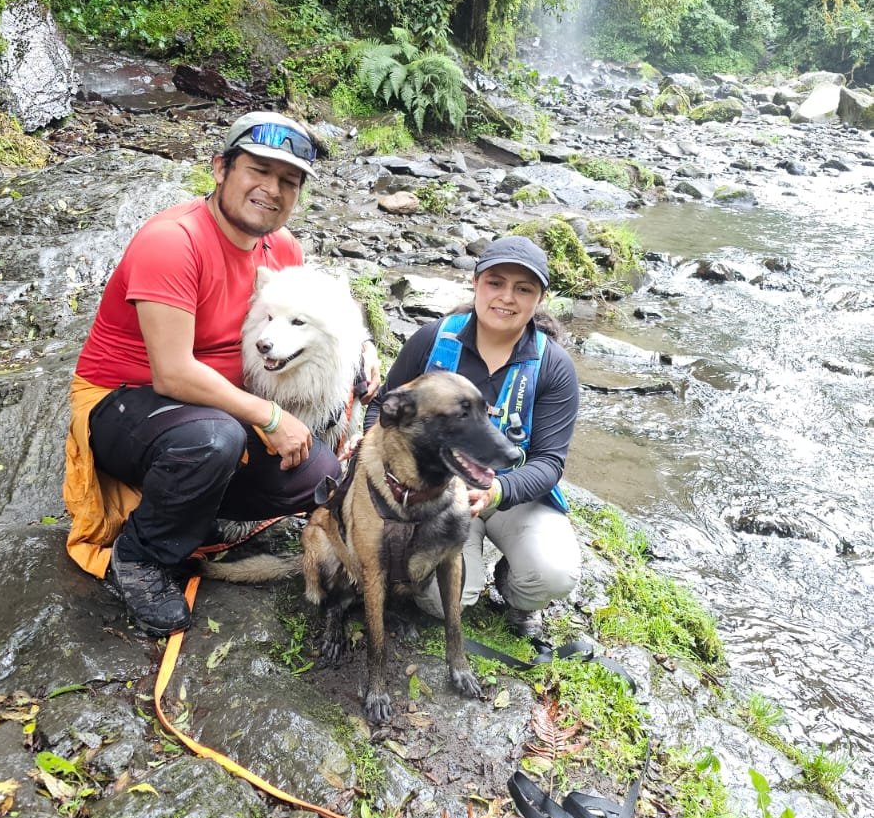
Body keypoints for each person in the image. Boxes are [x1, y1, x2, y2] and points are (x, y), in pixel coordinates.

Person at [63, 110, 379, 637]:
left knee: (319, 474)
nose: (272, 189)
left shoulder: (282, 248)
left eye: (288, 180)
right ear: (219, 169)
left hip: (211, 408)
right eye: (258, 170)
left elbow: (321, 317)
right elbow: (173, 374)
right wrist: (271, 416)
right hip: (121, 402)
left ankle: (191, 509)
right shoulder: (172, 242)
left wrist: (362, 346)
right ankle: (141, 556)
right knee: (215, 438)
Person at [366, 236, 580, 637]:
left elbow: (549, 462)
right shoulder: (433, 340)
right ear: (476, 283)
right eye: (495, 283)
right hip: (435, 494)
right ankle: (466, 567)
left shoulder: (553, 366)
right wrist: (382, 472)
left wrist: (497, 492)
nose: (506, 298)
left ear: (539, 299)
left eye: (523, 289)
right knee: (440, 602)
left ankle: (514, 591)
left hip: (508, 493)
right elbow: (383, 407)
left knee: (552, 574)